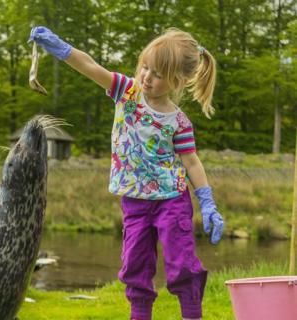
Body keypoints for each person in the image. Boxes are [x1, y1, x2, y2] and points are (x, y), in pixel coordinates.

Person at [29, 26, 225, 320]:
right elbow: (90, 66)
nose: (147, 76)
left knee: (181, 264)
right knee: (135, 266)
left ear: (177, 81)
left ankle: (192, 315)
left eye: (157, 74)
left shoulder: (179, 122)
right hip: (134, 201)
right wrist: (61, 48)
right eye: (145, 66)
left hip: (172, 199)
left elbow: (192, 161)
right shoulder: (126, 91)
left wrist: (207, 201)